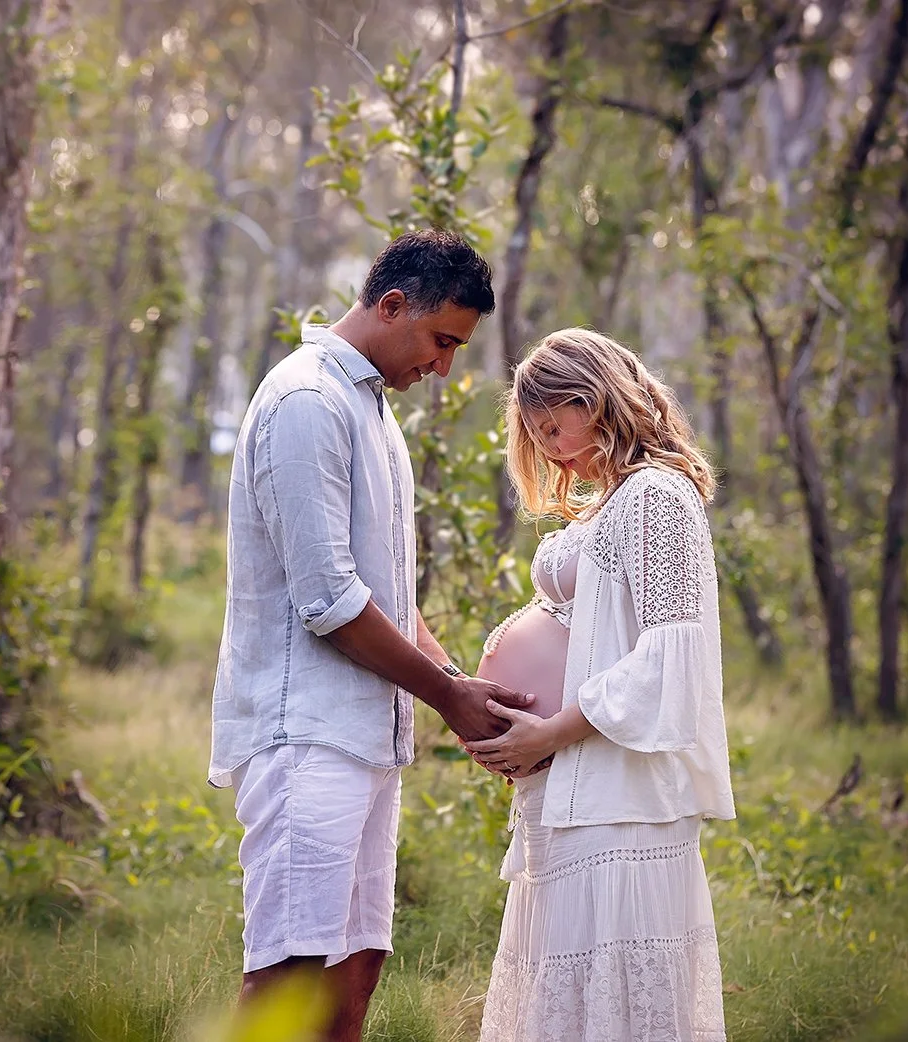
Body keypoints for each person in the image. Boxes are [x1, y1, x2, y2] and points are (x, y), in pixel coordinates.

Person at [208, 229, 534, 1042]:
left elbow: (387, 593)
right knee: (288, 973)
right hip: (305, 734)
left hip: (366, 738)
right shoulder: (307, 400)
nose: (443, 367)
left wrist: (460, 687)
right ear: (391, 306)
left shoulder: (370, 409)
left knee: (355, 969)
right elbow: (329, 601)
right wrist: (448, 699)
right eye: (441, 341)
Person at [467, 327, 737, 1042]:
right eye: (536, 437)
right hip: (571, 791)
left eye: (554, 428)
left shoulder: (657, 496)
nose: (552, 450)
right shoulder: (613, 500)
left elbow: (671, 656)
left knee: (618, 1002)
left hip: (621, 797)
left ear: (593, 402)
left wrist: (548, 733)